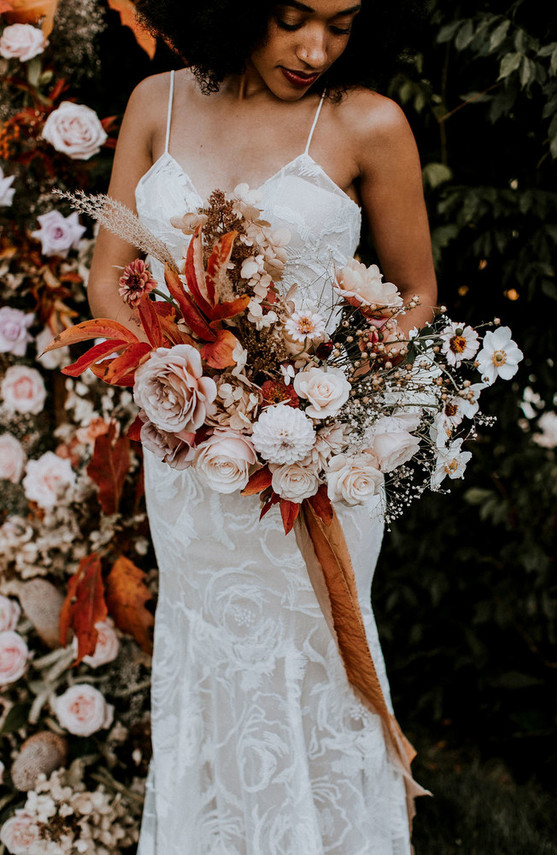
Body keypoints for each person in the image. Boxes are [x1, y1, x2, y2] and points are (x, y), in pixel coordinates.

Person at [88, 1, 438, 853]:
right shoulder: (155, 103)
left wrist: (335, 393)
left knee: (312, 664)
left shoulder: (369, 123)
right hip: (190, 462)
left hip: (311, 462)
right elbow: (108, 277)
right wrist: (182, 384)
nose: (315, 48)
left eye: (342, 25)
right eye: (292, 17)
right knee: (207, 661)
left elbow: (416, 293)